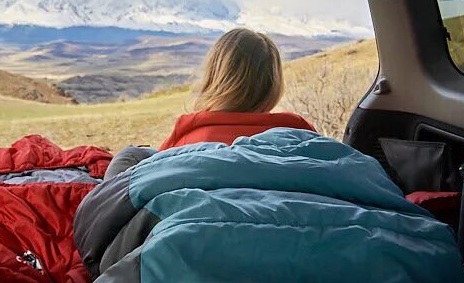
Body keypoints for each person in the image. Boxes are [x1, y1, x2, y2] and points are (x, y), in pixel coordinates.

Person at [105, 28, 315, 178]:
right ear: (274, 83)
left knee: (129, 157)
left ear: (215, 77)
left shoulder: (187, 141)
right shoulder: (303, 136)